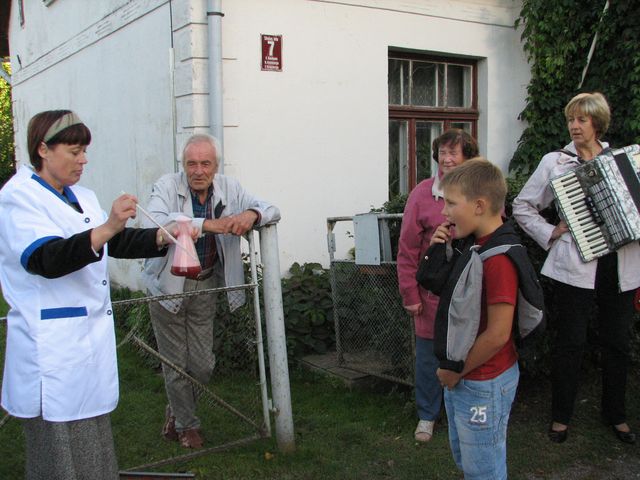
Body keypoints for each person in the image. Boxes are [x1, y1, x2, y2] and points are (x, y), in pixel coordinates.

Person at [0, 110, 171, 480]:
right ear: (43, 149)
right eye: (74, 151)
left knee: (94, 451)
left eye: (85, 151)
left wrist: (163, 236)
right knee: (59, 460)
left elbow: (111, 241)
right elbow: (46, 259)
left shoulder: (81, 196)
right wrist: (109, 226)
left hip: (85, 349)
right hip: (50, 353)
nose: (84, 160)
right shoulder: (18, 198)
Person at [512, 92, 639, 444]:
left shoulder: (623, 160)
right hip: (577, 264)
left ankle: (616, 415)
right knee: (570, 342)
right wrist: (551, 232)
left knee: (617, 343)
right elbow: (522, 205)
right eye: (571, 119)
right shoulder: (556, 162)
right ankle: (561, 416)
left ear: (597, 123)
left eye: (582, 119)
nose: (574, 125)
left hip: (621, 264)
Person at [142, 133, 280, 449]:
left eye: (205, 164)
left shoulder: (230, 188)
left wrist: (251, 214)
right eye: (192, 164)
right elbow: (155, 223)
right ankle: (188, 426)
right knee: (175, 363)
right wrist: (208, 225)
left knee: (203, 364)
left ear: (216, 165)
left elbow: (272, 208)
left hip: (205, 283)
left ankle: (176, 411)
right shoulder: (166, 186)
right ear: (183, 165)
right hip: (167, 286)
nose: (198, 171)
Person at [431, 159, 526, 480]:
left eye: (451, 203)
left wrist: (455, 371)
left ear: (479, 206)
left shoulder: (498, 260)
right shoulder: (474, 243)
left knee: (483, 470)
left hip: (483, 380)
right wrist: (436, 250)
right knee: (468, 461)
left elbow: (498, 334)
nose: (444, 211)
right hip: (468, 376)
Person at [397, 129, 478, 442]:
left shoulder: (479, 191)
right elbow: (407, 249)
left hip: (470, 292)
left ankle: (466, 412)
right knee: (429, 356)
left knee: (469, 352)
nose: (446, 159)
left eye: (453, 153)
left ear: (467, 158)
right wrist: (410, 294)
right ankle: (427, 416)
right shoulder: (422, 194)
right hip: (432, 293)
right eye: (442, 153)